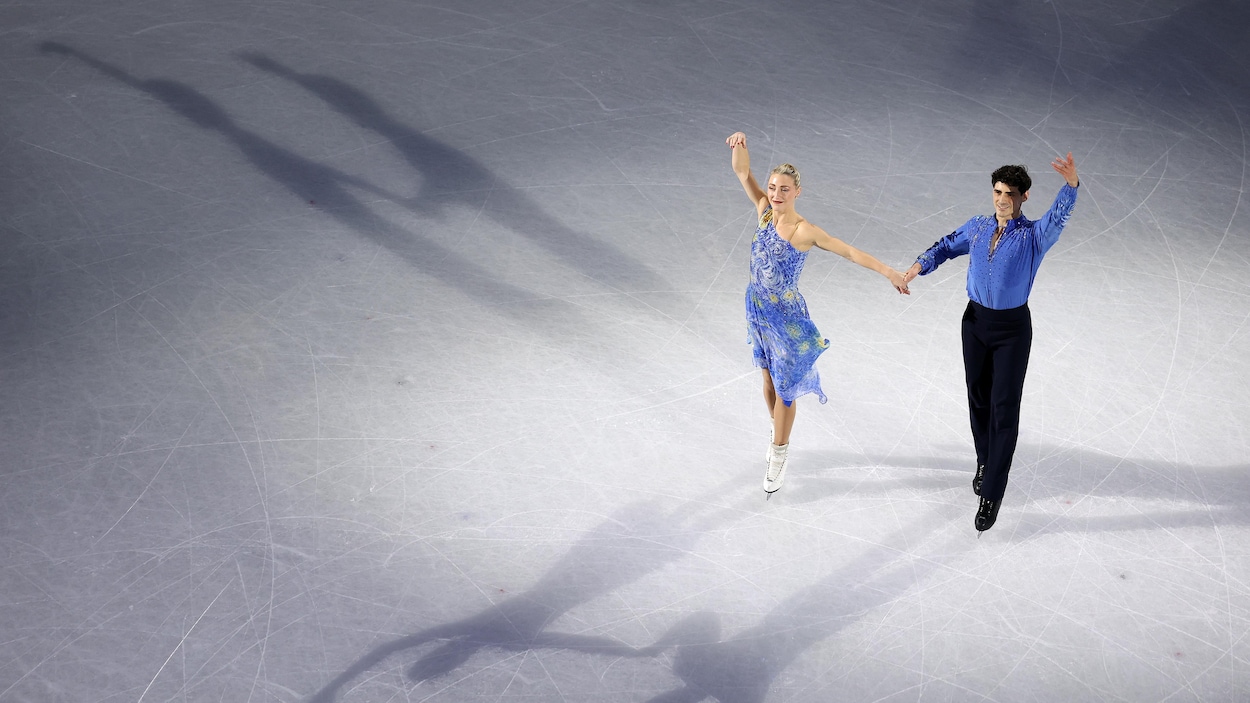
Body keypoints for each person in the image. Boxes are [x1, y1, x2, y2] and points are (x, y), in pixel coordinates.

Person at [901, 154, 1080, 532]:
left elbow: (1059, 218)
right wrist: (917, 267)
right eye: (997, 192)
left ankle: (993, 492)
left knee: (1003, 408)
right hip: (975, 323)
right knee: (978, 398)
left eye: (1009, 194)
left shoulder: (1034, 235)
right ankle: (985, 459)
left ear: (1024, 197)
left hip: (1012, 330)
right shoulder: (979, 227)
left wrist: (1071, 185)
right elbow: (946, 245)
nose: (1001, 200)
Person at [726, 131, 909, 495]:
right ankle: (778, 431)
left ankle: (779, 453)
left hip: (787, 320)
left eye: (784, 190)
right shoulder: (763, 213)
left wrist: (889, 272)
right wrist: (739, 146)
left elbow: (849, 252)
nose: (776, 194)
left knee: (785, 389)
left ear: (797, 193)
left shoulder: (804, 230)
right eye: (773, 187)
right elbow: (742, 173)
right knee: (767, 382)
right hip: (758, 310)